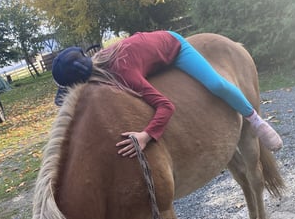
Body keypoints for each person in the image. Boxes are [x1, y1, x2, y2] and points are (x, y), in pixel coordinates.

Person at [51, 31, 283, 157]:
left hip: (174, 47)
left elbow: (166, 106)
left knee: (216, 85)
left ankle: (256, 120)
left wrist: (146, 135)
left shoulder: (124, 72)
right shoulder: (103, 70)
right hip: (150, 58)